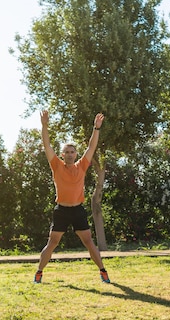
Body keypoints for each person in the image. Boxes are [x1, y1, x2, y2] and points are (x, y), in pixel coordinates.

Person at [34, 110, 110, 284]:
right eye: (66, 152)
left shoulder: (81, 166)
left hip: (78, 210)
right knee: (52, 243)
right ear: (62, 155)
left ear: (76, 154)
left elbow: (91, 147)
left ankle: (103, 271)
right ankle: (39, 273)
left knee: (89, 242)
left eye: (72, 152)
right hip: (61, 210)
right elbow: (47, 146)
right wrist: (44, 126)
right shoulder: (57, 166)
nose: (69, 154)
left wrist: (96, 129)